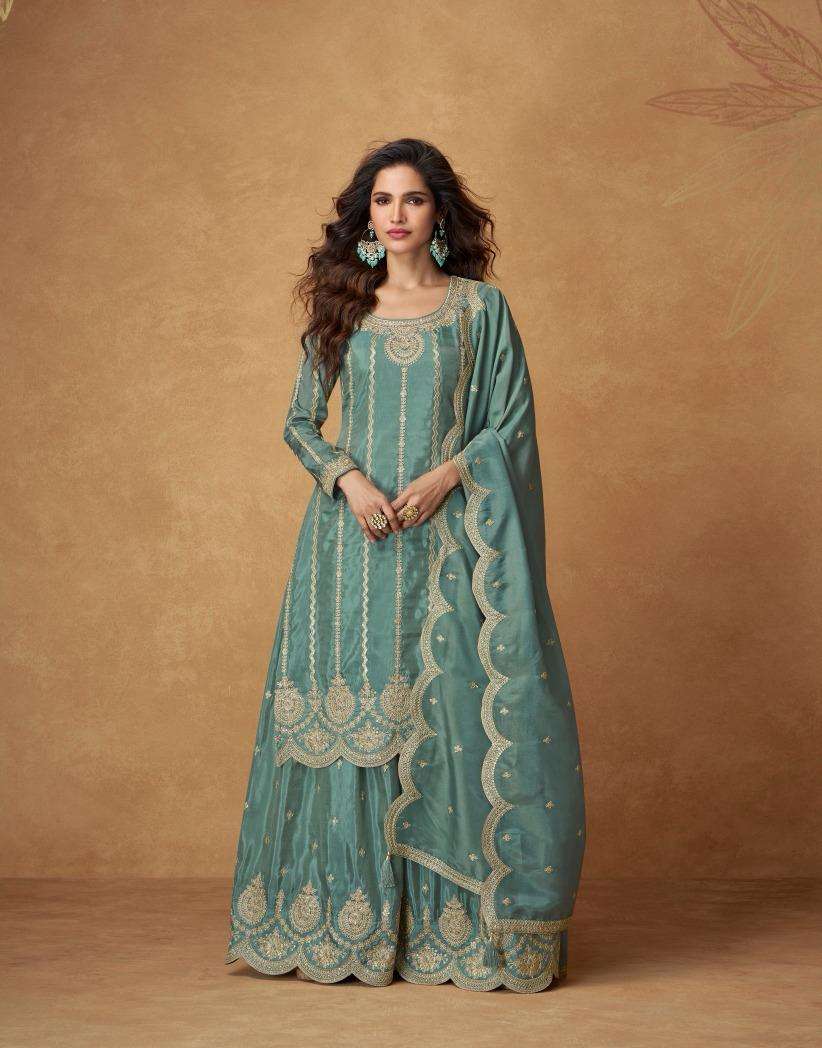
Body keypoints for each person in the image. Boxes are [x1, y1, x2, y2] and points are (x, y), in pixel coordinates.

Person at [225, 138, 586, 993]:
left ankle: (443, 935)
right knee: (352, 718)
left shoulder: (479, 310)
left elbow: (510, 424)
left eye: (414, 199)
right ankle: (342, 927)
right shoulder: (342, 307)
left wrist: (449, 474)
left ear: (439, 213)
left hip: (449, 546)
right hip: (348, 548)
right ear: (365, 216)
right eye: (383, 200)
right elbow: (300, 422)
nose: (396, 215)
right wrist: (347, 479)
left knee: (443, 717)